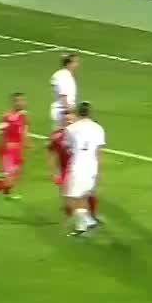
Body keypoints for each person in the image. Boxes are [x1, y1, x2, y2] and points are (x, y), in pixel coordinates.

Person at [64, 102, 104, 236]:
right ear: (89, 112)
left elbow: (67, 147)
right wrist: (98, 171)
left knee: (71, 197)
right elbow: (98, 151)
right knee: (83, 195)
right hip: (92, 166)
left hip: (78, 165)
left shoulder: (70, 129)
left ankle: (82, 226)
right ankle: (89, 221)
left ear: (77, 112)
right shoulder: (98, 128)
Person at [50, 53, 79, 130]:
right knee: (62, 134)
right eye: (75, 62)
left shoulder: (65, 75)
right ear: (68, 64)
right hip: (62, 111)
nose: (77, 64)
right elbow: (63, 95)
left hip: (64, 110)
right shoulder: (63, 76)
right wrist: (68, 113)